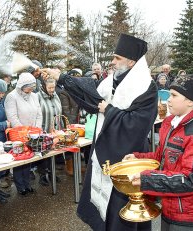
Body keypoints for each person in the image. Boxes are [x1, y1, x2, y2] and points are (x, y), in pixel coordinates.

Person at [42, 33, 158, 231]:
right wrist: (60, 77)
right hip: (104, 154)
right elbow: (91, 90)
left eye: (117, 58)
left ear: (131, 62)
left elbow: (137, 125)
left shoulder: (146, 88)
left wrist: (109, 111)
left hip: (126, 159)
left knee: (122, 214)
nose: (112, 62)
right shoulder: (113, 81)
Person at [124, 74, 193, 231]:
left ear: (191, 101)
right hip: (168, 202)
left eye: (174, 95)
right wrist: (138, 157)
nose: (168, 99)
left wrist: (147, 179)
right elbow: (161, 157)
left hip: (186, 211)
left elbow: (192, 179)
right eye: (169, 94)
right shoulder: (170, 123)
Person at [4, 72, 42, 195]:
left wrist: (36, 129)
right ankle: (20, 186)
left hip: (33, 133)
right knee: (20, 160)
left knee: (29, 158)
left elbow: (39, 113)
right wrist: (23, 132)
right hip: (18, 134)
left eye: (32, 87)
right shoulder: (12, 96)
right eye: (29, 87)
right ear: (22, 85)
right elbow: (12, 117)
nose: (31, 89)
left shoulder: (34, 96)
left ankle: (27, 183)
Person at [37, 78, 62, 186]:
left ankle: (52, 172)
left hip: (55, 130)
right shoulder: (38, 96)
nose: (52, 90)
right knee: (43, 154)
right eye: (50, 88)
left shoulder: (56, 95)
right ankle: (43, 175)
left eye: (53, 87)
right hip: (44, 129)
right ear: (44, 86)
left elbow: (60, 111)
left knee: (53, 153)